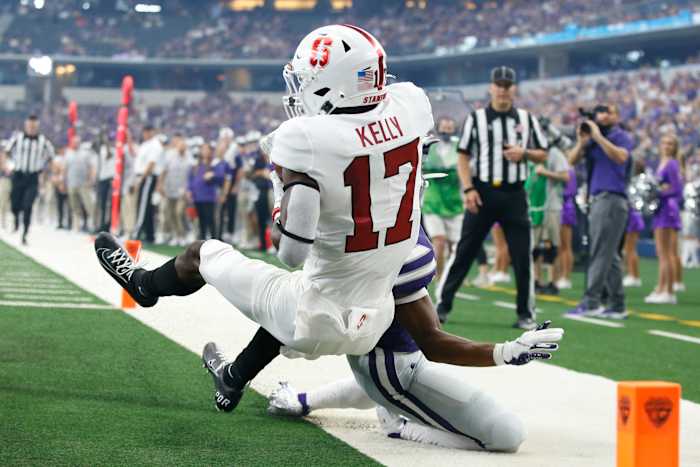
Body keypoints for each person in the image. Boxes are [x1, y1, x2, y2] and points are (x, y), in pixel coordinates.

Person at [94, 24, 433, 410]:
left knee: (204, 254)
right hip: (376, 317)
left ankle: (143, 284)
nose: (300, 88)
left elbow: (289, 251)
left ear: (332, 84)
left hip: (312, 317)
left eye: (307, 79)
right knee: (293, 293)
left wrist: (280, 185)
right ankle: (233, 379)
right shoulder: (411, 105)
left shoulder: (305, 138)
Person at [262, 227, 563, 452]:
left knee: (386, 384)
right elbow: (432, 341)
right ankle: (399, 425)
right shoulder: (376, 230)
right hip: (391, 366)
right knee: (505, 434)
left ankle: (303, 401)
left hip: (395, 361)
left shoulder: (392, 220)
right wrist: (504, 352)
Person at [436, 66, 548, 330]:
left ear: (513, 89)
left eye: (507, 85)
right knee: (464, 252)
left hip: (515, 194)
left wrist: (525, 153)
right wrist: (468, 189)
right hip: (483, 192)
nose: (503, 89)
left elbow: (542, 152)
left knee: (522, 256)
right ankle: (442, 307)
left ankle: (525, 313)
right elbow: (463, 155)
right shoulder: (475, 119)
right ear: (491, 87)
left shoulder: (526, 118)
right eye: (499, 84)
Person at [566, 104, 634, 319]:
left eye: (609, 112)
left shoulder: (621, 136)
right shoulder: (593, 140)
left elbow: (621, 157)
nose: (603, 116)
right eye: (600, 112)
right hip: (598, 200)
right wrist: (582, 141)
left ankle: (591, 301)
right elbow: (571, 161)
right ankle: (617, 304)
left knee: (599, 251)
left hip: (611, 199)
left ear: (616, 116)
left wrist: (597, 136)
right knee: (609, 254)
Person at [529, 122, 570, 295]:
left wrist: (546, 173)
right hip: (534, 206)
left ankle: (552, 280)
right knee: (535, 246)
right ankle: (537, 280)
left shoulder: (554, 153)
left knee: (551, 244)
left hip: (551, 206)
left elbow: (565, 176)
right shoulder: (530, 154)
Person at [421, 117, 464, 280]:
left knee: (456, 245)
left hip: (454, 202)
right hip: (433, 201)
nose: (447, 131)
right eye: (444, 128)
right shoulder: (428, 147)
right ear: (438, 128)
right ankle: (438, 275)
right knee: (439, 241)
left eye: (450, 128)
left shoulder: (459, 148)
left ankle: (452, 275)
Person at [645, 134, 684, 304]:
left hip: (668, 209)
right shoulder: (662, 162)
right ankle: (661, 288)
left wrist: (658, 192)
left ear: (675, 147)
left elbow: (677, 189)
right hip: (662, 209)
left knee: (665, 253)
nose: (667, 146)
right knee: (661, 253)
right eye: (664, 142)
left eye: (670, 143)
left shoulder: (673, 163)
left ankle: (668, 292)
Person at [5, 114, 55, 244]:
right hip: (18, 175)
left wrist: (47, 172)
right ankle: (16, 219)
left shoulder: (43, 141)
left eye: (34, 126)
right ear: (26, 125)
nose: (32, 128)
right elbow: (6, 152)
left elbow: (51, 157)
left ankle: (25, 233)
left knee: (28, 205)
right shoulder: (18, 138)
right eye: (30, 125)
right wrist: (8, 166)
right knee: (15, 204)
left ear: (37, 126)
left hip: (33, 177)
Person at [158, 134, 191, 246]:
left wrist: (189, 189)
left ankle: (182, 235)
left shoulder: (189, 157)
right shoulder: (170, 155)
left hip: (182, 190)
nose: (182, 147)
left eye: (183, 145)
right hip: (169, 188)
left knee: (179, 212)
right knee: (170, 213)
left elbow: (191, 174)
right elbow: (163, 171)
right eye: (180, 145)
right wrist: (160, 185)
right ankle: (175, 235)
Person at [133, 125, 164, 243]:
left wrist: (141, 179)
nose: (145, 133)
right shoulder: (145, 144)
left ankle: (137, 233)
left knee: (143, 206)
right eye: (144, 131)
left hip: (147, 177)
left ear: (153, 131)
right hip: (142, 176)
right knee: (147, 207)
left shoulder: (155, 145)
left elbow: (151, 164)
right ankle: (149, 235)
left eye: (147, 131)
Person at [188, 142, 224, 240]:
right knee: (201, 221)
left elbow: (221, 177)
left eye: (206, 149)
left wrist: (213, 175)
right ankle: (202, 242)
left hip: (209, 197)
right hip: (198, 197)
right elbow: (191, 179)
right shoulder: (196, 165)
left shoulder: (214, 164)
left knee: (211, 221)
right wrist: (190, 190)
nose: (204, 151)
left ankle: (214, 241)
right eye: (202, 149)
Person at [64, 136, 96, 233]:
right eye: (74, 142)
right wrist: (64, 181)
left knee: (89, 204)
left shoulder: (85, 153)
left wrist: (91, 179)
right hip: (71, 183)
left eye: (77, 142)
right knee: (74, 206)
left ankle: (93, 224)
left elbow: (91, 167)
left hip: (83, 183)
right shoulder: (68, 153)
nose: (76, 144)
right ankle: (76, 225)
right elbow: (65, 169)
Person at [556, 168, 577, 290]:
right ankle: (559, 275)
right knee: (558, 246)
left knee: (565, 245)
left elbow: (570, 191)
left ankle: (566, 276)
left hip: (565, 207)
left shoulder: (568, 170)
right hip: (557, 205)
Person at [94, 130, 115, 232]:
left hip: (111, 178)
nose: (111, 141)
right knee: (102, 203)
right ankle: (101, 224)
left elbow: (109, 155)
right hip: (102, 178)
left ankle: (108, 224)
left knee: (111, 204)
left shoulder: (115, 149)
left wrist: (107, 145)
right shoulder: (102, 149)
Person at [0, 148, 11, 230]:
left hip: (13, 182)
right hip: (4, 181)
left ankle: (10, 221)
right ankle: (3, 221)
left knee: (10, 203)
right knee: (3, 202)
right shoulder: (2, 162)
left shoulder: (12, 161)